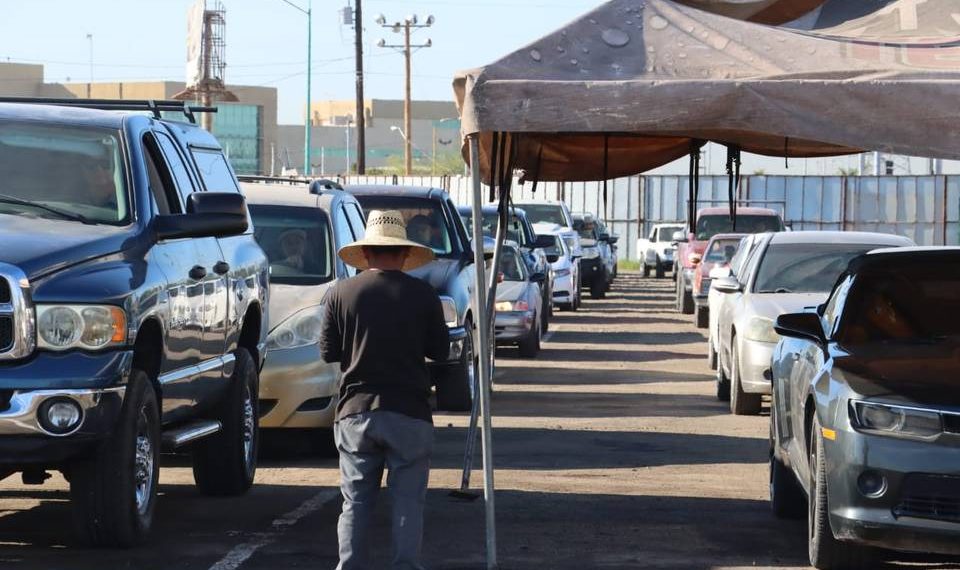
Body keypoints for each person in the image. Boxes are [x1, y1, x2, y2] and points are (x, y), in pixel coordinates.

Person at [320, 209, 450, 570]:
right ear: (406, 254)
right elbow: (440, 352)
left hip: (355, 412)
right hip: (409, 412)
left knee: (356, 502)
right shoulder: (424, 295)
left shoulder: (340, 293)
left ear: (365, 253)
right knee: (408, 501)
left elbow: (328, 352)